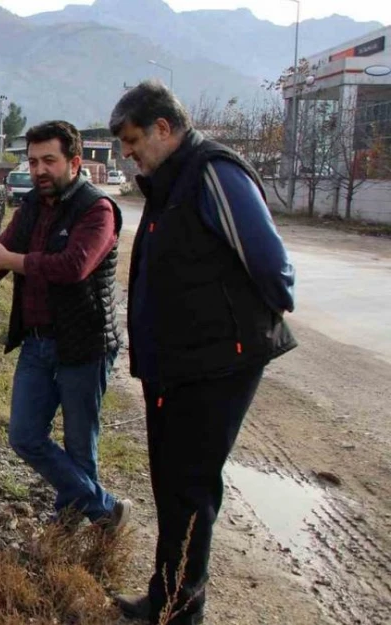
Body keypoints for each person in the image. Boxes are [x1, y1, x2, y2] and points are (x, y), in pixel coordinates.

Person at [108, 81, 297, 625]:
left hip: (216, 362)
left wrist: (245, 329)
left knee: (190, 485)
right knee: (171, 481)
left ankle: (179, 613)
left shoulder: (213, 172)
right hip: (180, 362)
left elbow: (270, 262)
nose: (127, 153)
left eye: (132, 139)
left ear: (164, 129)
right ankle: (164, 597)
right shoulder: (170, 181)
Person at [0, 120, 130, 531]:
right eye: (33, 162)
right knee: (24, 435)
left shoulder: (97, 210)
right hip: (38, 342)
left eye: (48, 161)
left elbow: (73, 267)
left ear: (74, 161)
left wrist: (9, 261)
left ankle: (71, 526)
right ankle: (104, 510)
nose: (39, 170)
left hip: (84, 344)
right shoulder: (34, 206)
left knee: (79, 446)